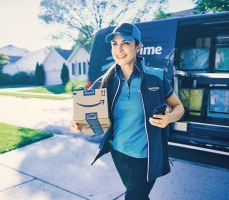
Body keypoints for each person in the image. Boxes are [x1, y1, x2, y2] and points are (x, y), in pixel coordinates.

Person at [71, 22, 184, 200]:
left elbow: (179, 107)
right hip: (118, 152)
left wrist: (169, 118)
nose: (119, 49)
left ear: (138, 46)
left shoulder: (156, 77)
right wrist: (79, 124)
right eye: (115, 44)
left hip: (145, 155)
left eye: (126, 43)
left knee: (133, 197)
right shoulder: (105, 80)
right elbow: (90, 119)